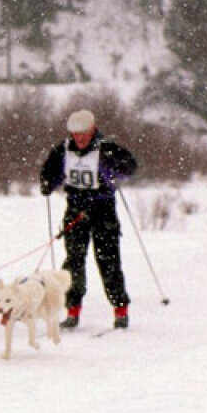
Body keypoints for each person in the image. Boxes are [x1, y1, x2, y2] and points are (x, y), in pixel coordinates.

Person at [39, 110, 138, 330]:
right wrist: (47, 183)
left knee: (108, 262)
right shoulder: (63, 150)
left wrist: (114, 169)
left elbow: (130, 167)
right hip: (76, 210)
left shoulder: (107, 148)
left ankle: (120, 311)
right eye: (75, 134)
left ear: (92, 129)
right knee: (73, 264)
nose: (79, 138)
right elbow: (49, 171)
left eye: (83, 133)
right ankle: (72, 312)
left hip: (103, 210)